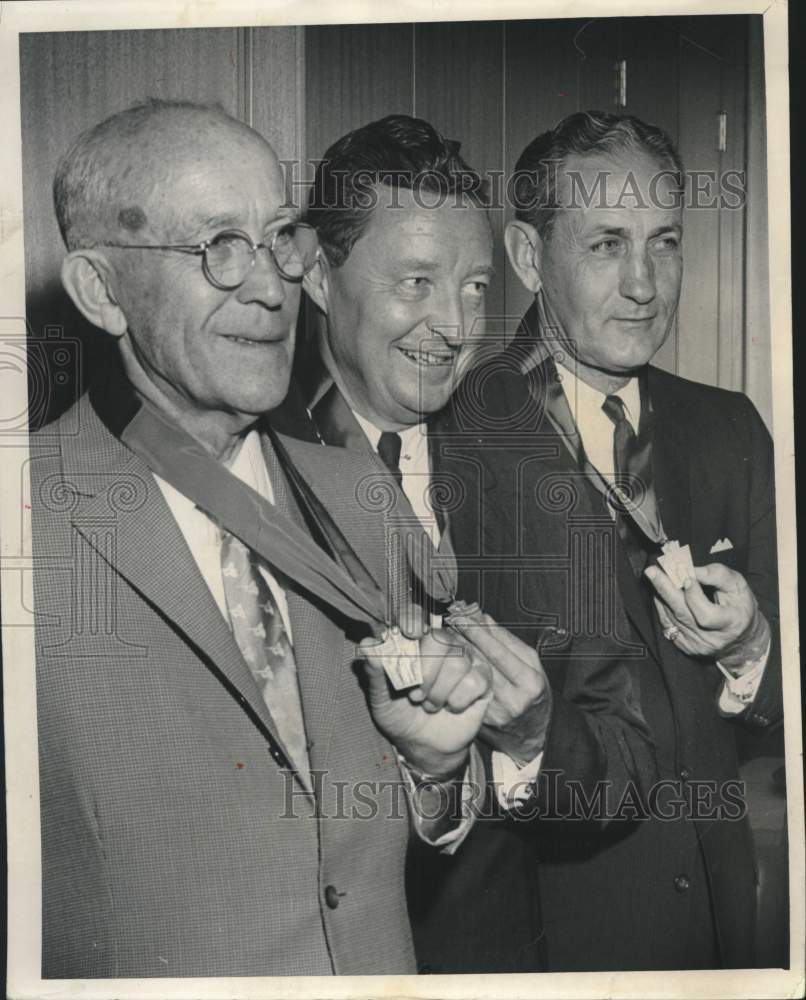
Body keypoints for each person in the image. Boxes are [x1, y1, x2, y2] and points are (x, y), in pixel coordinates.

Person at [30, 98, 499, 978]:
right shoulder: (25, 521)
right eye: (218, 246)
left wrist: (438, 772)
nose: (271, 285)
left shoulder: (361, 497)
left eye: (280, 237)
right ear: (100, 290)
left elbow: (374, 845)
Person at [274, 113, 659, 972]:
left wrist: (530, 741)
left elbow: (629, 755)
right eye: (416, 281)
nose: (453, 326)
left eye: (478, 288)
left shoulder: (523, 449)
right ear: (316, 273)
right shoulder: (244, 459)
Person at [456, 109, 781, 970]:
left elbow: (778, 706)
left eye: (664, 242)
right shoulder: (454, 431)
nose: (645, 283)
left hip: (721, 935)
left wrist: (752, 648)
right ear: (528, 258)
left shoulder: (730, 430)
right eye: (606, 244)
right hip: (550, 946)